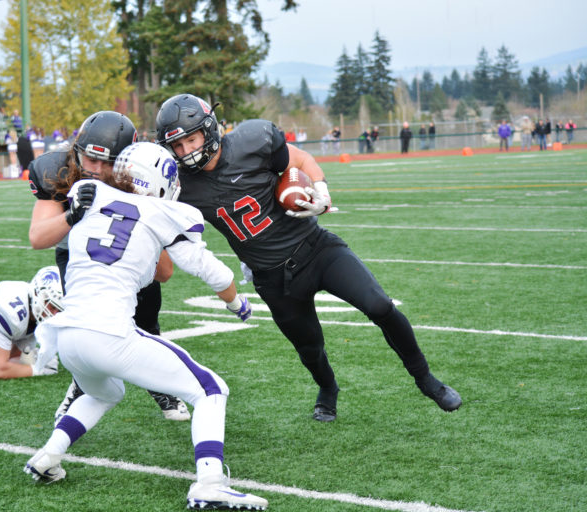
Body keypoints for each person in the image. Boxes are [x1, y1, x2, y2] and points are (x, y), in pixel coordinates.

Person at [155, 94, 461, 422]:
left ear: (209, 130)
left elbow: (301, 160)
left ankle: (426, 379)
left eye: (191, 139)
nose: (187, 152)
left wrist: (322, 190)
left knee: (380, 306)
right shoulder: (180, 187)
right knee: (309, 348)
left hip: (316, 249)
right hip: (272, 277)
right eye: (179, 145)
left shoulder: (251, 142)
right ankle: (328, 389)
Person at [23, 142, 266, 511]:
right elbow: (205, 268)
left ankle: (48, 456)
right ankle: (210, 483)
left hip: (68, 334)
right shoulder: (164, 211)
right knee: (211, 389)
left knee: (106, 393)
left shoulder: (86, 194)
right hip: (109, 331)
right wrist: (236, 302)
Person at [27, 111, 189, 422]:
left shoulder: (139, 176)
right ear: (77, 151)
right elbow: (37, 238)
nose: (98, 170)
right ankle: (79, 387)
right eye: (90, 159)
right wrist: (71, 215)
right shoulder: (56, 170)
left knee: (146, 315)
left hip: (128, 252)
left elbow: (164, 272)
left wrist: (146, 224)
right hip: (77, 252)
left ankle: (157, 383)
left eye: (108, 162)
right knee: (87, 323)